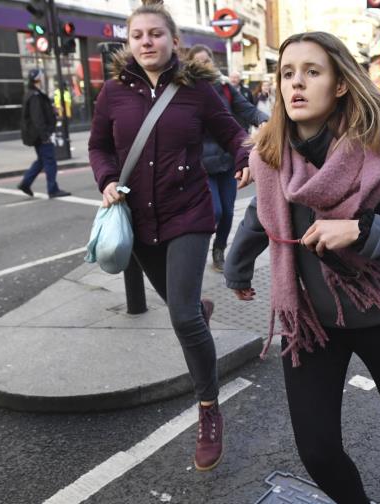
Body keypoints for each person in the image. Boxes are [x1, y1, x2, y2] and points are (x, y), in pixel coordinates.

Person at [224, 31, 380, 504]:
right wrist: (237, 270)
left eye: (312, 72)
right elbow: (262, 214)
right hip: (312, 324)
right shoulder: (272, 160)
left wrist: (363, 230)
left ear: (339, 84)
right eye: (287, 74)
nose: (296, 84)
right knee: (316, 450)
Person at [88, 0, 252, 472]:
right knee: (183, 308)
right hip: (137, 220)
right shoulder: (113, 92)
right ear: (129, 41)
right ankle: (195, 310)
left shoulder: (197, 89)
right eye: (137, 35)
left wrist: (245, 159)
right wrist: (104, 180)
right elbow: (99, 144)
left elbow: (231, 133)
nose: (146, 42)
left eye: (155, 34)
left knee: (181, 316)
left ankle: (208, 410)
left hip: (188, 214)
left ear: (172, 40)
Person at [187, 45, 267, 272]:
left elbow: (248, 110)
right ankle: (196, 247)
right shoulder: (187, 91)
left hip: (227, 161)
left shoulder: (225, 88)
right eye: (198, 62)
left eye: (207, 61)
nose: (204, 65)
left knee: (229, 211)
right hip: (202, 163)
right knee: (216, 210)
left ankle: (219, 250)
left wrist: (267, 121)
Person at [18, 69, 71, 198]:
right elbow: (37, 118)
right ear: (38, 78)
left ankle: (26, 183)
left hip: (37, 135)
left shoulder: (32, 94)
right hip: (40, 136)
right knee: (50, 160)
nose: (43, 78)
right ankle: (52, 189)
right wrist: (45, 136)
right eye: (42, 76)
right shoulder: (35, 95)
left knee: (42, 160)